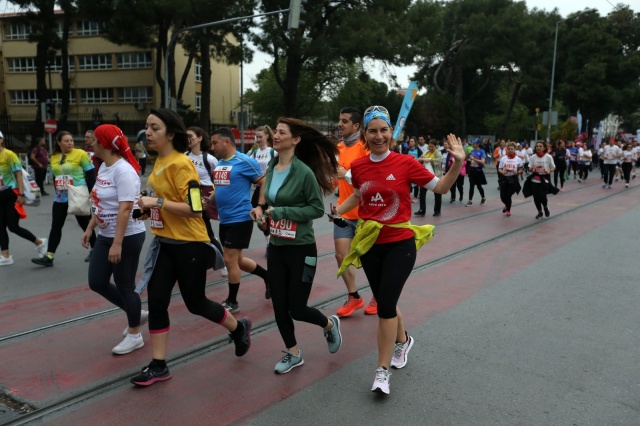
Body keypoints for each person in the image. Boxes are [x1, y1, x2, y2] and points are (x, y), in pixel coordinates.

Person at [334, 105, 465, 395]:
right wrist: (338, 211)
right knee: (386, 300)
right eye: (373, 130)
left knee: (385, 306)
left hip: (400, 245)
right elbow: (359, 195)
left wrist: (457, 163)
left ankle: (381, 372)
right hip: (369, 245)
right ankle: (403, 341)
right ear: (365, 134)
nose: (379, 135)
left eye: (384, 129)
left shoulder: (406, 163)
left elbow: (441, 187)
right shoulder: (358, 167)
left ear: (391, 132)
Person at [130, 109, 251, 387]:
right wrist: (147, 212)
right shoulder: (159, 161)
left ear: (171, 134)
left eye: (154, 128)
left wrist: (156, 204)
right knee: (157, 301)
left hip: (191, 246)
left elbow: (196, 210)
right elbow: (166, 202)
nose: (147, 132)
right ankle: (159, 365)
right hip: (165, 244)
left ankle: (238, 327)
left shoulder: (182, 164)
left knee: (195, 303)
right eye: (146, 127)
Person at [248, 117, 343, 374]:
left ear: (296, 139)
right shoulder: (270, 167)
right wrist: (262, 215)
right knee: (279, 305)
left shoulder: (303, 172)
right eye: (275, 132)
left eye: (281, 132)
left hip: (301, 249)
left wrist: (281, 212)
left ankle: (329, 325)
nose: (275, 135)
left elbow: (315, 209)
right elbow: (267, 204)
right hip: (277, 247)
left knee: (297, 308)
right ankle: (293, 353)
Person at [82, 124, 147, 355]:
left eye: (94, 140)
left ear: (103, 144)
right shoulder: (104, 168)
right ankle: (135, 312)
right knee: (97, 281)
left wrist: (117, 243)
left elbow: (126, 208)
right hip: (105, 234)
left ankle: (135, 334)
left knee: (125, 285)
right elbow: (99, 202)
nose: (91, 143)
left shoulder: (124, 171)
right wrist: (90, 228)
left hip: (127, 236)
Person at [210, 127, 269, 310]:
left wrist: (259, 206)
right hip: (225, 218)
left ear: (227, 142)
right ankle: (268, 277)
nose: (212, 147)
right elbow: (220, 186)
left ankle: (232, 301)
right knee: (239, 260)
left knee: (229, 259)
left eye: (215, 143)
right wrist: (209, 199)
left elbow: (263, 181)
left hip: (241, 217)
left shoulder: (244, 160)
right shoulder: (220, 162)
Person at [332, 107, 376, 317]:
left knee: (371, 259)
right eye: (340, 120)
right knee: (341, 256)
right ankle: (354, 297)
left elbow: (372, 178)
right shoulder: (339, 147)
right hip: (343, 213)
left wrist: (346, 174)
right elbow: (334, 179)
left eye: (345, 121)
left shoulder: (365, 146)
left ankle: (378, 295)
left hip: (367, 215)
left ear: (356, 126)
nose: (340, 124)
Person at [32, 131, 96, 266]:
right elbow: (56, 176)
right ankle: (49, 257)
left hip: (77, 194)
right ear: (59, 142)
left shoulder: (80, 154)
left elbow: (90, 173)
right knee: (56, 226)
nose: (70, 143)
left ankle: (95, 251)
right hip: (61, 197)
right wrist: (58, 190)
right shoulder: (54, 156)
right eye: (66, 141)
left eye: (71, 140)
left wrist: (93, 192)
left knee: (85, 224)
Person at [0, 132, 47, 265]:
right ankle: (5, 255)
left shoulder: (8, 155)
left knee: (13, 226)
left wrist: (21, 195)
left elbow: (19, 174)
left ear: (2, 139)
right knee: (0, 226)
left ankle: (40, 242)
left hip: (11, 194)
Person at [185, 126, 221, 250]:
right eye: (186, 136)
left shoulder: (209, 159)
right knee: (190, 229)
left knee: (205, 228)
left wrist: (212, 196)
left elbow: (219, 180)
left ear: (200, 138)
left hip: (203, 194)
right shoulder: (184, 157)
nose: (188, 139)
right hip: (187, 194)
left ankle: (221, 259)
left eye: (191, 136)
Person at [250, 125, 276, 258]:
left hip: (272, 188)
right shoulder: (254, 153)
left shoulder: (273, 152)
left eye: (260, 137)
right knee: (259, 217)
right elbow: (251, 170)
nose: (258, 139)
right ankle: (268, 242)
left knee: (271, 214)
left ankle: (274, 243)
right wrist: (255, 181)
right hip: (260, 189)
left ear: (267, 136)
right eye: (256, 137)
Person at [526, 141, 556, 219]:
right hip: (535, 180)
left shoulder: (548, 157)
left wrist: (549, 170)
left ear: (544, 148)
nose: (538, 148)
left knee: (542, 196)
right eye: (537, 146)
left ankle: (545, 208)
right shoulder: (533, 157)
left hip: (544, 179)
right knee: (536, 197)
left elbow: (553, 167)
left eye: (540, 146)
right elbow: (529, 168)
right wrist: (532, 168)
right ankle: (540, 211)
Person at [416, 139, 443, 216]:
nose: (430, 148)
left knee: (437, 193)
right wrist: (423, 159)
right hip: (425, 176)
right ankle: (422, 210)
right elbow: (419, 159)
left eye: (432, 147)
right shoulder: (425, 152)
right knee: (422, 193)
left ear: (436, 147)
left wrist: (430, 160)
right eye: (429, 147)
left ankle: (437, 211)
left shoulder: (438, 153)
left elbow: (440, 160)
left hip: (435, 176)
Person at [498, 142, 523, 217]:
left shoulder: (518, 159)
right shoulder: (503, 159)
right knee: (502, 196)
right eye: (508, 149)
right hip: (504, 178)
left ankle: (508, 210)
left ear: (515, 149)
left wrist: (517, 172)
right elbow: (499, 169)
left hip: (513, 179)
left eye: (512, 149)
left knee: (508, 195)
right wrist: (503, 172)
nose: (510, 150)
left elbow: (521, 169)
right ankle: (506, 204)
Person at [466, 139, 487, 206]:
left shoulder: (482, 151)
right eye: (472, 143)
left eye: (474, 143)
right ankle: (470, 200)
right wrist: (467, 155)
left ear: (478, 144)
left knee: (478, 186)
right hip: (472, 170)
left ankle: (483, 197)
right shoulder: (471, 151)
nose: (473, 144)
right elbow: (465, 159)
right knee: (471, 185)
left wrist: (474, 159)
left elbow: (482, 161)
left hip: (479, 171)